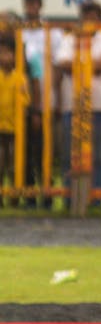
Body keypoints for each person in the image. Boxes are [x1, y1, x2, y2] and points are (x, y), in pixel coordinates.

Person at [56, 1, 101, 197]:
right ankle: (69, 196)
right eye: (86, 15)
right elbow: (62, 63)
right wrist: (91, 65)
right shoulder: (68, 39)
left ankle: (95, 197)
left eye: (93, 16)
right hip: (72, 106)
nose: (89, 20)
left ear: (99, 19)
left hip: (99, 105)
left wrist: (80, 65)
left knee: (98, 156)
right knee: (69, 155)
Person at [20, 0, 62, 208]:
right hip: (22, 102)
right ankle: (27, 194)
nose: (31, 7)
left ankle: (47, 193)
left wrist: (55, 98)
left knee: (46, 150)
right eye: (28, 3)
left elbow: (57, 68)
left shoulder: (52, 32)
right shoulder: (19, 30)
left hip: (47, 98)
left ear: (40, 5)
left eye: (35, 3)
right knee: (25, 149)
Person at [0, 35, 30, 204]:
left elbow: (25, 101)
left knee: (13, 164)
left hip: (14, 128)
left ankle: (14, 197)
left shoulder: (20, 78)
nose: (4, 57)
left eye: (8, 53)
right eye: (1, 53)